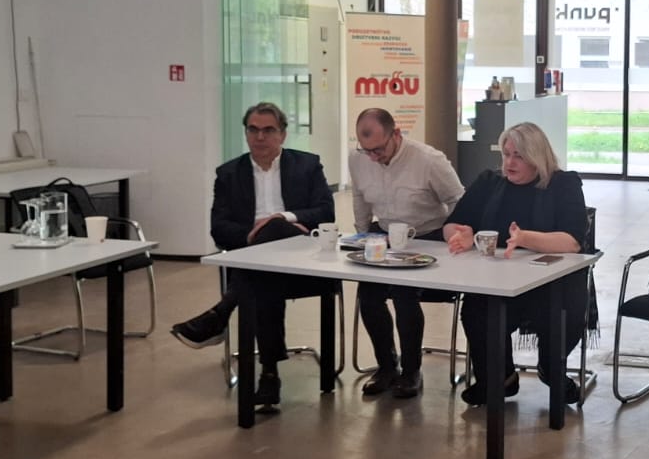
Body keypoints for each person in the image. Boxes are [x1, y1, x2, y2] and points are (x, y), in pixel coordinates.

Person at [170, 102, 335, 413]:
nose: (260, 137)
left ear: (282, 134)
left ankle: (222, 316)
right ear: (246, 133)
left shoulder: (308, 165)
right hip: (254, 258)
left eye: (268, 130)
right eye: (253, 130)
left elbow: (326, 211)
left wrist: (283, 218)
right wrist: (252, 235)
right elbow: (219, 229)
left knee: (273, 233)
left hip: (300, 258)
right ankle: (268, 374)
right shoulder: (229, 174)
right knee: (262, 278)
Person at [443, 122, 588, 406]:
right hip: (496, 279)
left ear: (537, 157)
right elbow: (452, 224)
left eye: (518, 156)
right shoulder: (489, 182)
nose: (509, 163)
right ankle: (499, 378)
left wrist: (524, 238)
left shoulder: (564, 184)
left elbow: (572, 241)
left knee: (564, 312)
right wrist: (460, 235)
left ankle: (552, 369)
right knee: (475, 310)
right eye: (506, 154)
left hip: (552, 281)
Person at [348, 107, 464, 400]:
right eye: (366, 150)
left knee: (403, 293)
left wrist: (455, 237)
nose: (373, 157)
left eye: (378, 149)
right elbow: (360, 198)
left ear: (396, 134)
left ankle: (411, 370)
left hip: (428, 236)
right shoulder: (358, 159)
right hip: (383, 235)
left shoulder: (429, 160)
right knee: (368, 295)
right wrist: (361, 236)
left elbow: (458, 200)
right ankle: (387, 366)